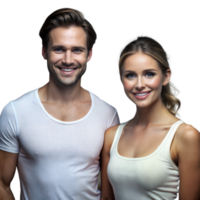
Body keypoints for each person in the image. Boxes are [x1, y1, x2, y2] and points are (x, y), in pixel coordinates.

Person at [0, 7, 120, 200]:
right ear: (43, 52)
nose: (68, 60)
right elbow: (2, 184)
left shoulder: (109, 114)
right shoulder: (15, 111)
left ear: (90, 54)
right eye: (59, 49)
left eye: (77, 50)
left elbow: (111, 191)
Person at [100, 33, 200, 200]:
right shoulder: (111, 136)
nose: (139, 85)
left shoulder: (184, 136)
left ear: (166, 76)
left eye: (149, 74)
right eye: (130, 75)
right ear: (121, 80)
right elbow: (106, 199)